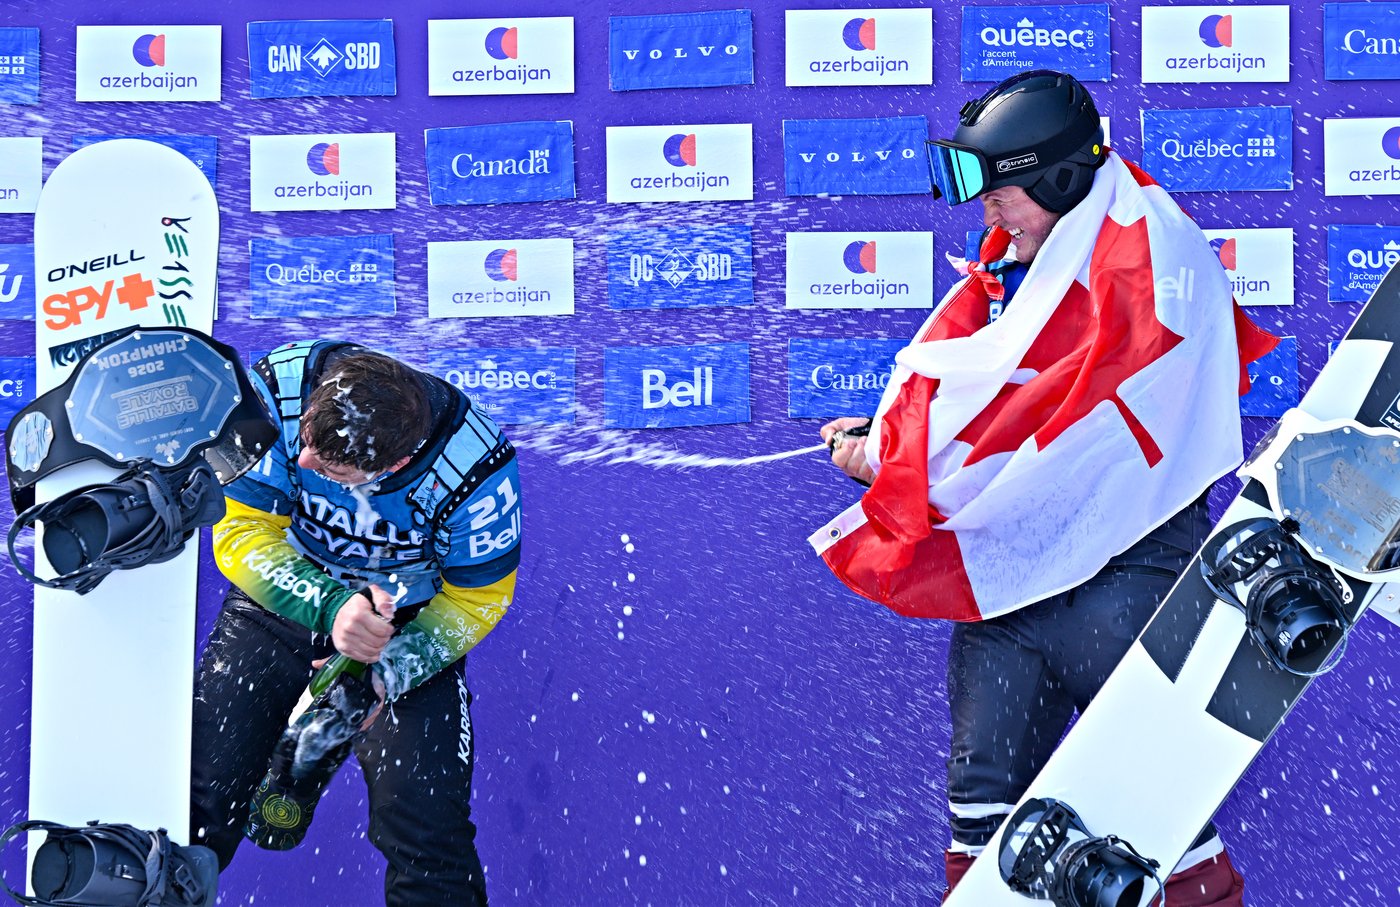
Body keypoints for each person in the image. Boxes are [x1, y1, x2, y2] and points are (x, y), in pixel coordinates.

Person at [817, 71, 1273, 904]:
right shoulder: (1019, 269)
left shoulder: (1148, 258)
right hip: (1011, 600)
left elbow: (1047, 436)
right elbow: (989, 418)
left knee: (1164, 837)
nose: (986, 213)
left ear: (1063, 179)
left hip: (1125, 591)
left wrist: (896, 465)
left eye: (1003, 191)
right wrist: (896, 447)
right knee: (992, 853)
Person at [189, 341, 522, 906]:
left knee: (425, 829)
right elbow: (241, 530)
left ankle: (310, 742)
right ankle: (299, 750)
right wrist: (329, 605)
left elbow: (479, 599)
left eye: (332, 468)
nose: (304, 464)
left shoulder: (474, 467)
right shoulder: (279, 386)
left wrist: (385, 670)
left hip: (409, 624)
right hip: (282, 596)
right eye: (308, 440)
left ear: (391, 466)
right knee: (196, 799)